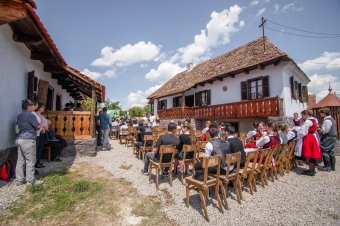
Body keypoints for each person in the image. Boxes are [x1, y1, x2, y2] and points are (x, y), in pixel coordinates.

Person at [15, 99, 43, 186]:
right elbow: (37, 127)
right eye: (31, 105)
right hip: (28, 139)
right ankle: (30, 181)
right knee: (31, 160)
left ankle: (20, 180)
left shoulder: (19, 115)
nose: (33, 106)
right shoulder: (30, 115)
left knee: (20, 160)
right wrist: (41, 126)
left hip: (20, 139)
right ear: (28, 106)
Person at [297, 110, 322, 176]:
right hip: (311, 137)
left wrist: (298, 135)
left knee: (310, 154)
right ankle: (311, 169)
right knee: (312, 153)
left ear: (306, 115)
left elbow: (303, 132)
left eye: (302, 115)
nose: (302, 117)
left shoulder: (308, 121)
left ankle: (311, 171)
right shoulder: (313, 120)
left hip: (309, 138)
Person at [35, 103, 49, 168]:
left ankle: (38, 162)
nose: (43, 108)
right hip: (40, 133)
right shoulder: (36, 115)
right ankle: (37, 163)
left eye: (44, 107)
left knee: (40, 148)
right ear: (39, 107)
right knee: (38, 148)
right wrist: (43, 128)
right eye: (42, 107)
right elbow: (38, 124)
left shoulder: (40, 115)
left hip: (43, 132)